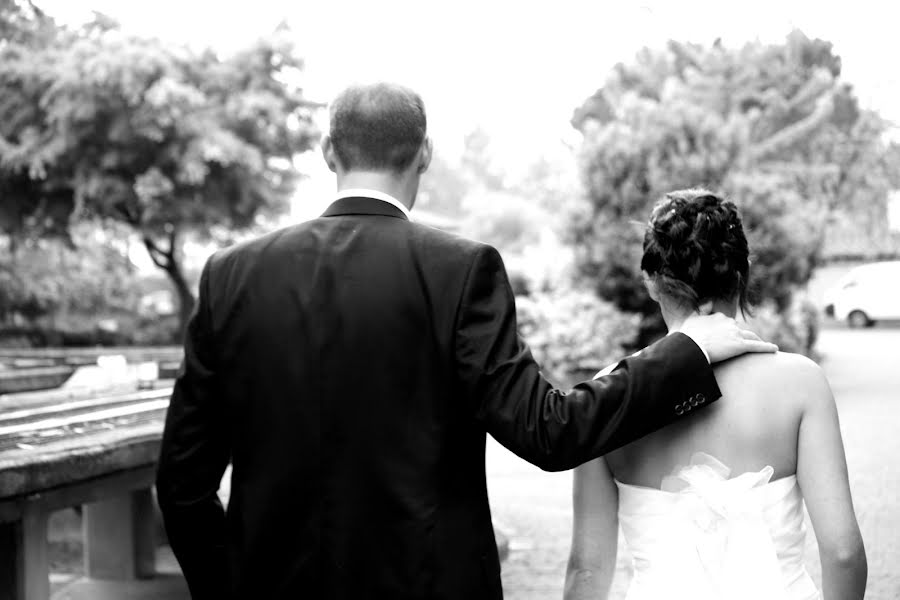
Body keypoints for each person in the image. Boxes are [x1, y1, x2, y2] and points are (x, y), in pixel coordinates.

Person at [155, 84, 776, 600]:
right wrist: (688, 351)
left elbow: (182, 485)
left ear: (327, 151)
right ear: (424, 154)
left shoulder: (231, 274)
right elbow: (550, 431)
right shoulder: (459, 270)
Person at [565, 190, 867, 600]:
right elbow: (844, 553)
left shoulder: (607, 393)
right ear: (741, 275)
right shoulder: (801, 383)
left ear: (652, 283)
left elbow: (588, 569)